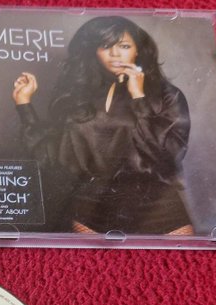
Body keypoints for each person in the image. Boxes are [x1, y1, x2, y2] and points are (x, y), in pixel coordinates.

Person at [12, 16, 194, 234]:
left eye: (124, 46)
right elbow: (51, 156)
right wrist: (24, 104)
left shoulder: (167, 95)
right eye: (106, 46)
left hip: (157, 206)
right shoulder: (78, 96)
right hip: (91, 209)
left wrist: (139, 97)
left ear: (138, 49)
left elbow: (168, 156)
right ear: (94, 51)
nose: (115, 54)